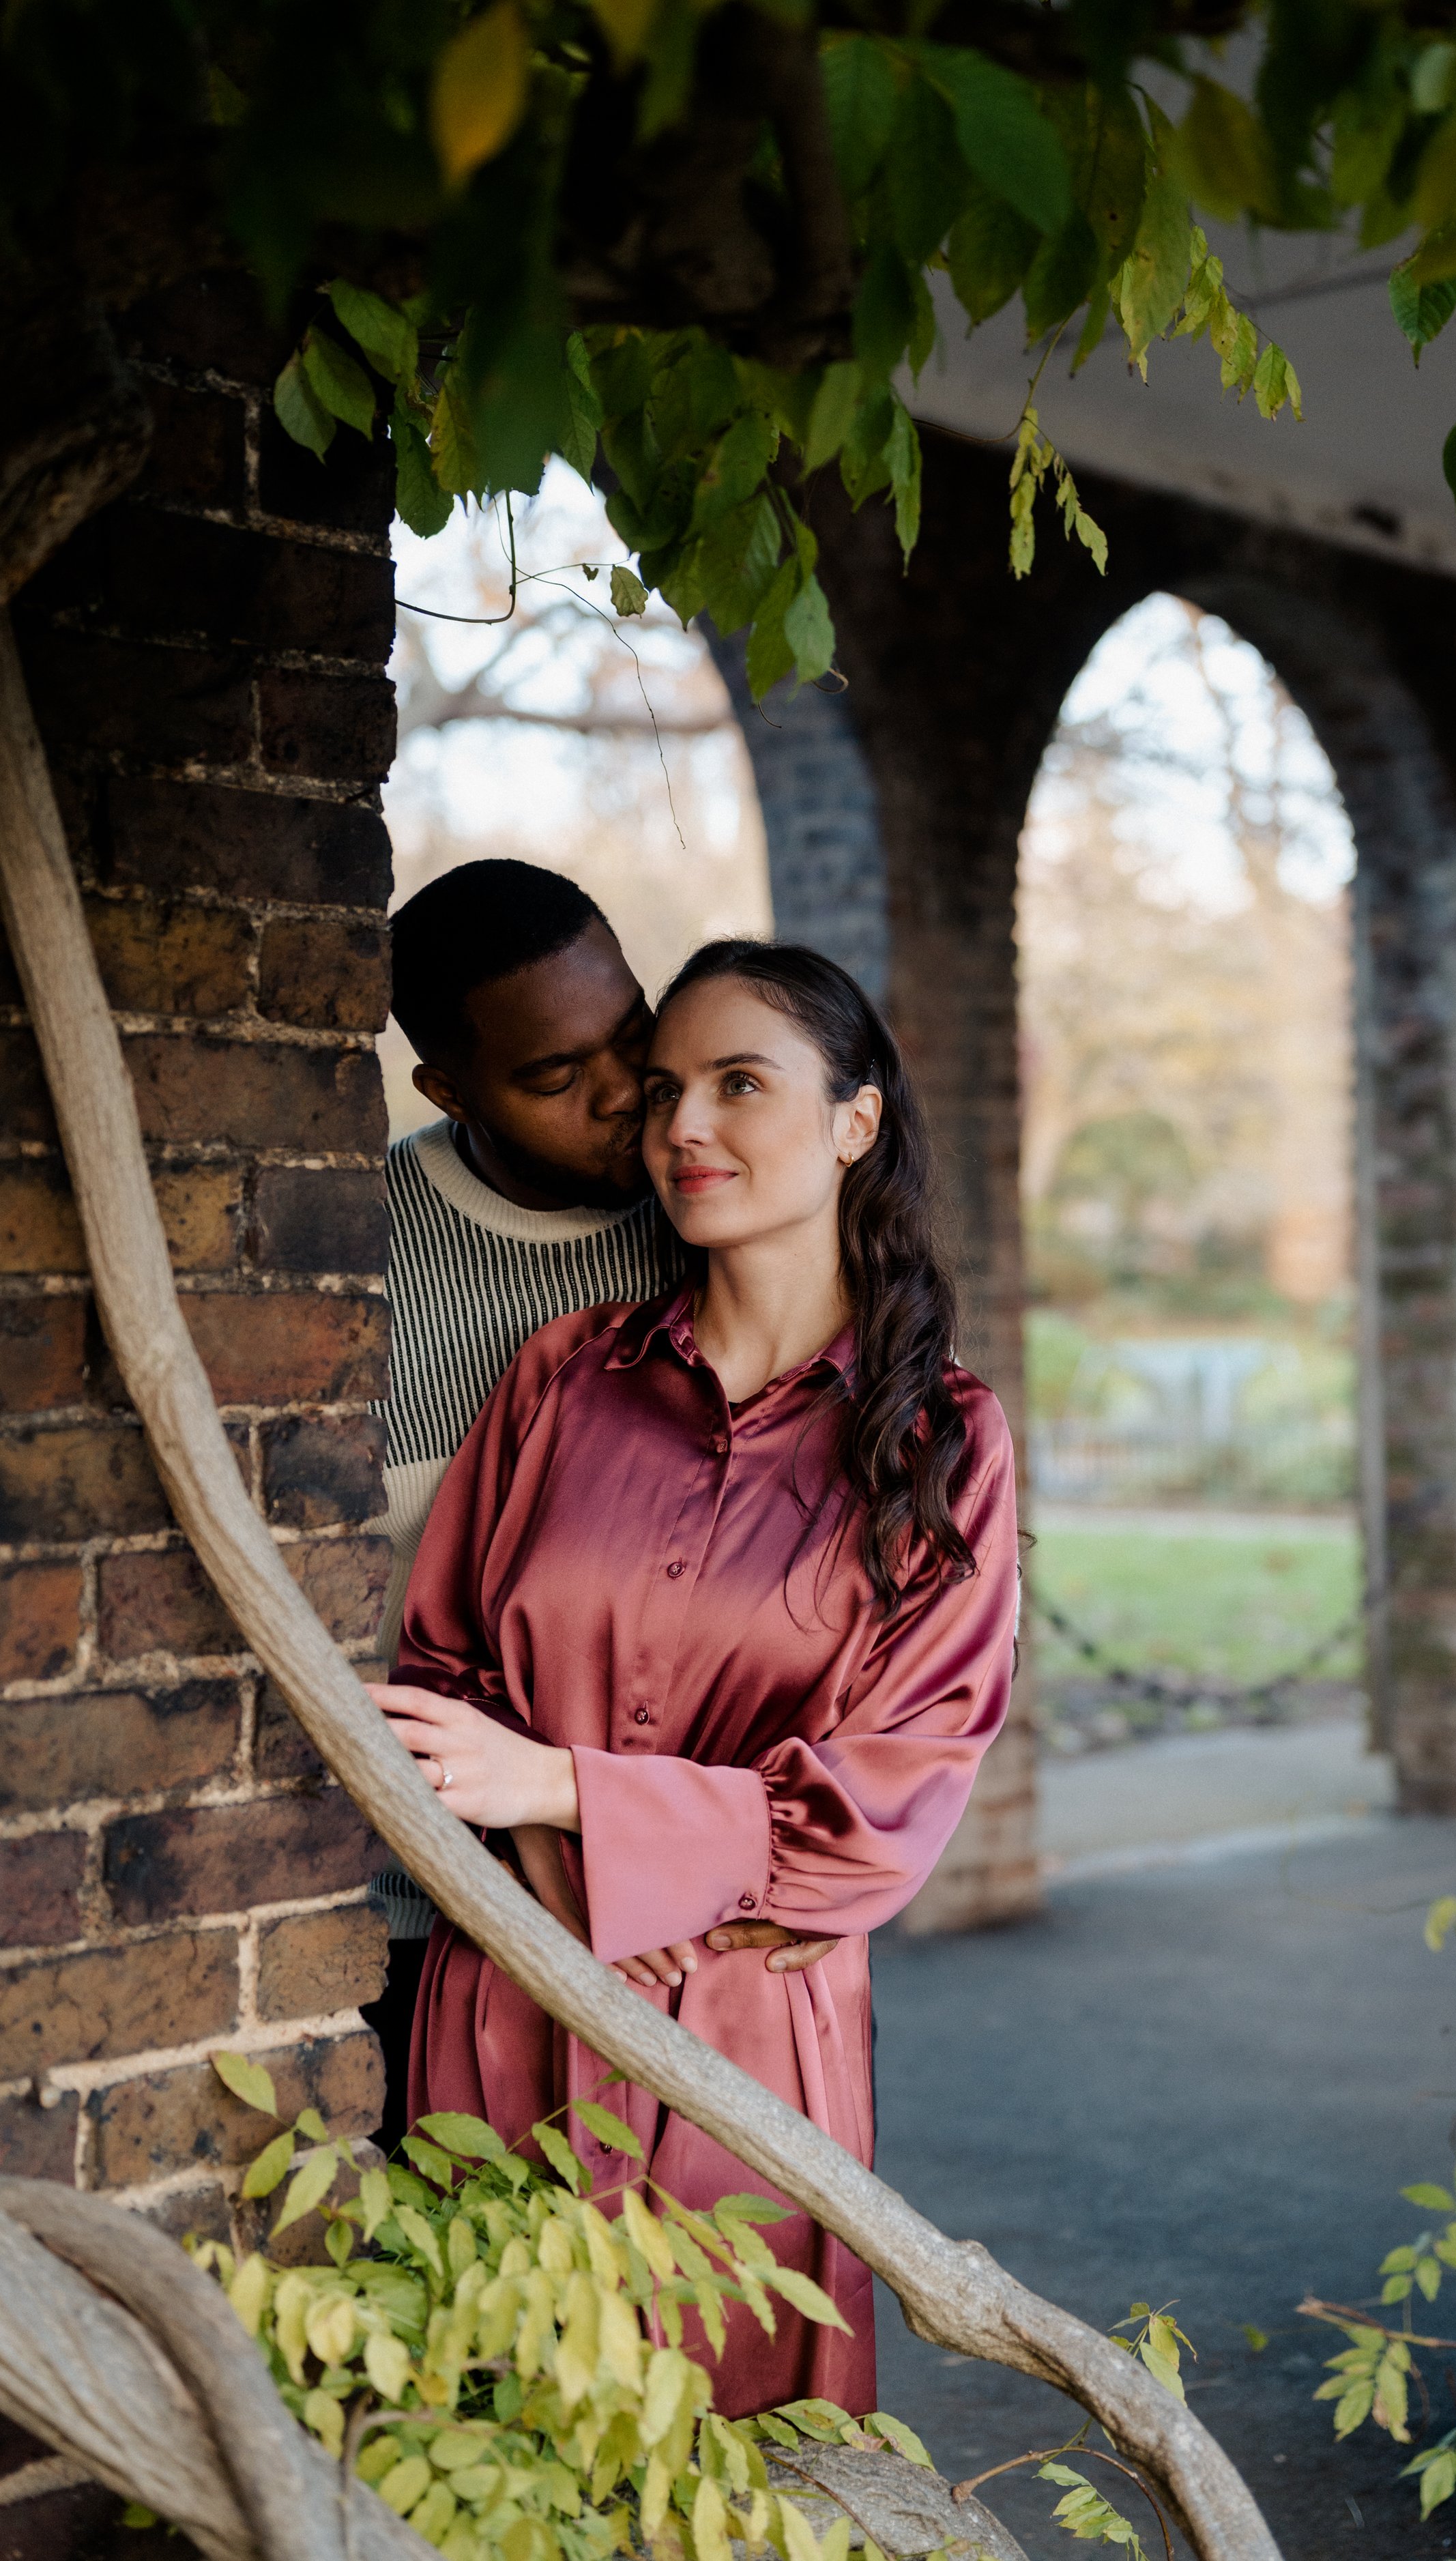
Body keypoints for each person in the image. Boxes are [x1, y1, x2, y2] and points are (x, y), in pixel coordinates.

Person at [370, 942, 1019, 2415]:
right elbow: (439, 1677)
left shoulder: (943, 1441)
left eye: (740, 1084)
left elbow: (884, 1807)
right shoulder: (560, 1375)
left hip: (745, 2039)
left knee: (724, 2448)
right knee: (487, 2438)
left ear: (854, 1120)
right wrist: (565, 1858)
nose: (684, 1127)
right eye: (665, 1089)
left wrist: (561, 1785)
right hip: (513, 1984)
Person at [366, 863, 806, 2141]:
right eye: (558, 1079)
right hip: (423, 1906)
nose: (625, 1098)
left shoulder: (713, 1216)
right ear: (449, 1088)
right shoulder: (355, 1250)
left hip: (692, 1902)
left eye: (632, 1038)